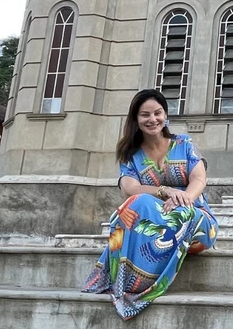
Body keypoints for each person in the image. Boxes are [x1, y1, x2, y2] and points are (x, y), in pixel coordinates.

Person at [82, 88, 218, 319]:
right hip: (154, 222)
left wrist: (184, 199)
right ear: (136, 119)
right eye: (145, 114)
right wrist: (165, 191)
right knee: (136, 203)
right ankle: (130, 280)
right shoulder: (130, 155)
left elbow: (199, 179)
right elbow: (130, 188)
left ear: (165, 115)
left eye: (157, 113)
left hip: (195, 219)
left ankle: (143, 284)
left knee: (181, 214)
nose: (152, 119)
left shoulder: (184, 144)